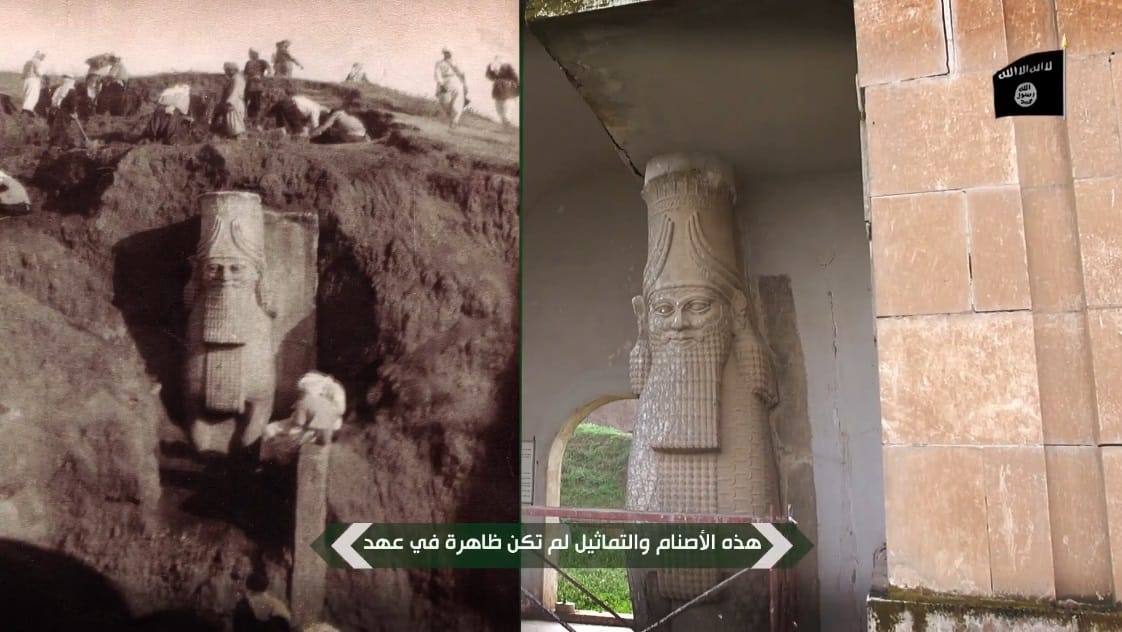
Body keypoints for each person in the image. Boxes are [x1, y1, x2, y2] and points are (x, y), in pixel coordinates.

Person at [433, 48, 467, 128]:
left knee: (458, 102)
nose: (447, 54)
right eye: (446, 53)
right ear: (443, 53)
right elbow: (437, 74)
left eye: (449, 53)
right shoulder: (439, 63)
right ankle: (451, 118)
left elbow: (462, 73)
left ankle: (454, 122)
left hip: (455, 81)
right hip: (444, 81)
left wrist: (464, 84)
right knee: (444, 101)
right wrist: (441, 84)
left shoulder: (456, 62)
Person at [485, 55, 519, 127]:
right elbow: (490, 77)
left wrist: (515, 87)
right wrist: (490, 69)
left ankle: (507, 124)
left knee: (506, 108)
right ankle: (505, 124)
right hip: (499, 89)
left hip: (507, 89)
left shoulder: (507, 66)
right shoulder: (493, 66)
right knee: (499, 108)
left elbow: (515, 77)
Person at [215, 62, 247, 138]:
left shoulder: (237, 79)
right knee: (232, 124)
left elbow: (235, 92)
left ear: (233, 70)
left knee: (236, 124)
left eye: (227, 70)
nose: (226, 72)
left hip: (235, 103)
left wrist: (230, 103)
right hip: (234, 103)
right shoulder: (234, 79)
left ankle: (240, 139)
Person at [243, 49, 271, 125]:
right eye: (250, 53)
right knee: (245, 102)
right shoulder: (248, 63)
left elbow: (269, 69)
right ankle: (248, 120)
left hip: (257, 86)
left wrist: (263, 78)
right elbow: (245, 73)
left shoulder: (262, 62)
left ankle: (256, 122)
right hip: (248, 85)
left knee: (256, 104)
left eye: (252, 53)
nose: (250, 55)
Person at [21, 51, 45, 116]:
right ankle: (27, 110)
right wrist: (42, 77)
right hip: (33, 80)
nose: (43, 58)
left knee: (27, 94)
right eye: (42, 56)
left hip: (26, 79)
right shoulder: (37, 61)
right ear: (39, 56)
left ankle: (25, 109)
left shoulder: (28, 61)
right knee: (33, 95)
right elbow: (38, 72)